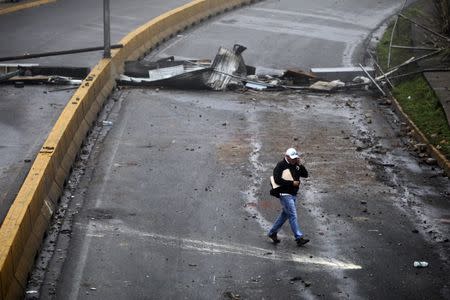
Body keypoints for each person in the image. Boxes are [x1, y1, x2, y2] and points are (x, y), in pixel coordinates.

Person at [268, 148, 309, 246]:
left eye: (295, 158)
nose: (294, 160)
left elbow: (305, 175)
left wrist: (299, 164)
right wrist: (292, 183)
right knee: (293, 215)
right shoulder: (280, 165)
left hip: (293, 194)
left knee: (285, 215)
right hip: (284, 194)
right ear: (287, 157)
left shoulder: (296, 165)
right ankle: (299, 237)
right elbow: (277, 180)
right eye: (292, 158)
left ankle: (272, 233)